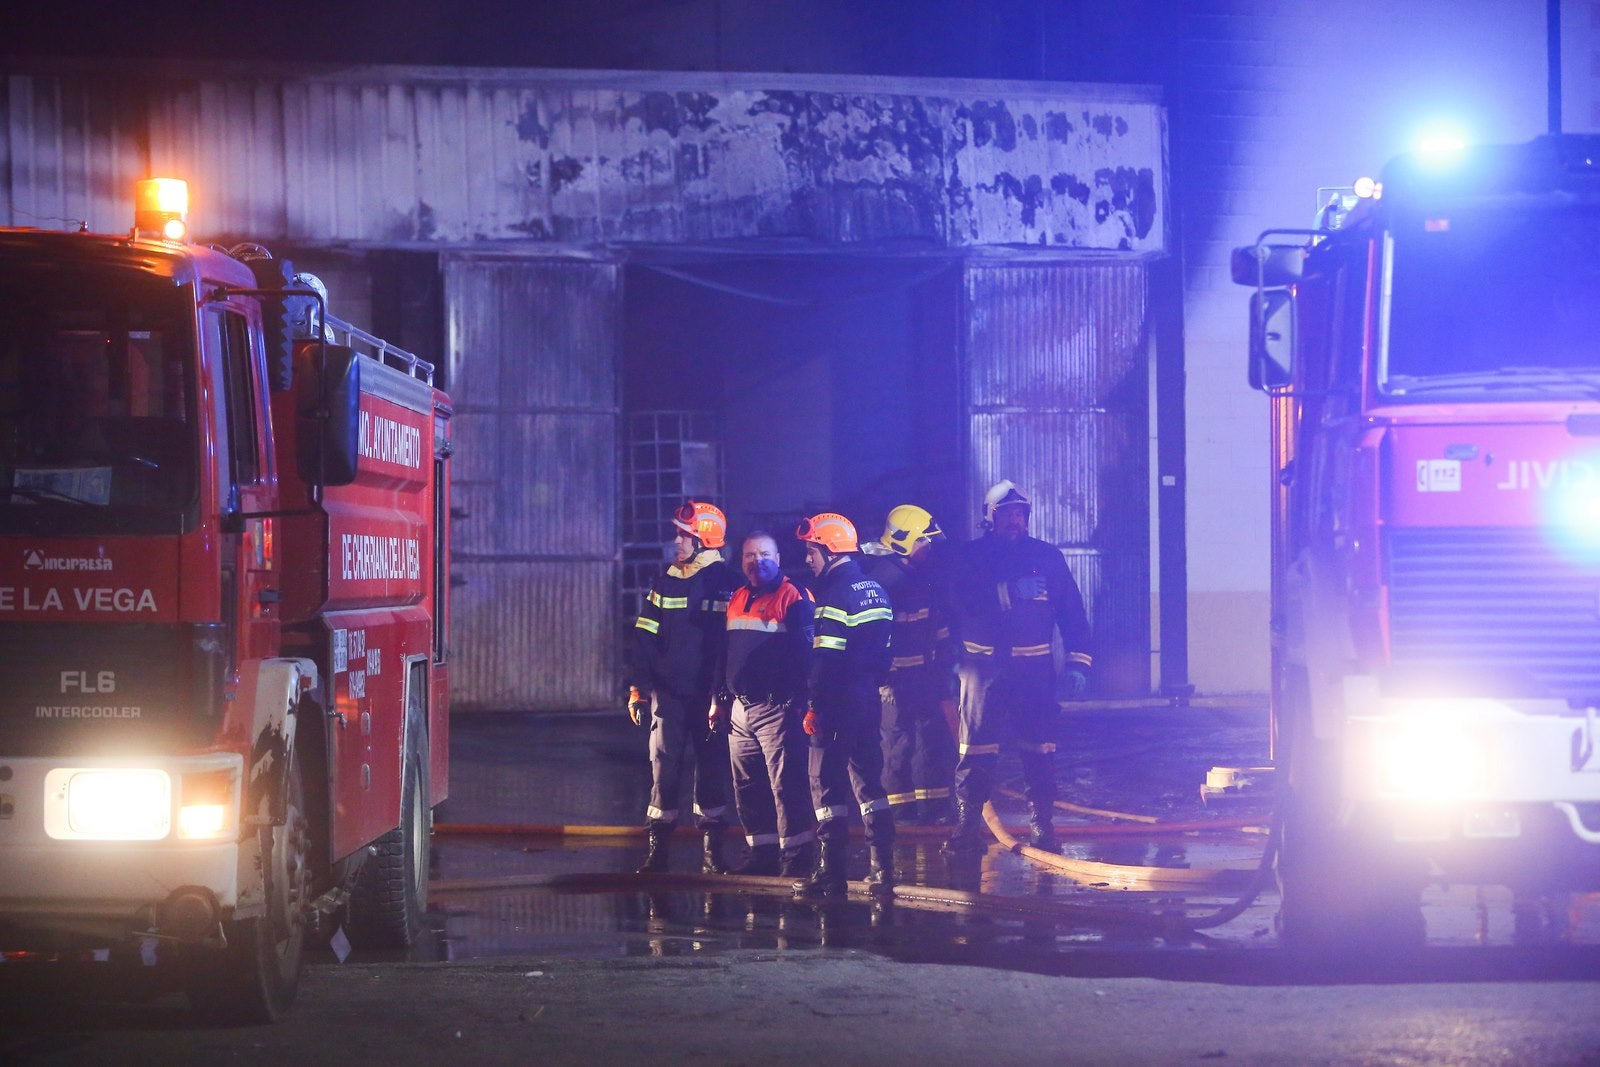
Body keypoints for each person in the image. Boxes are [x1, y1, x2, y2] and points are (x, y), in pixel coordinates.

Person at [943, 480, 1092, 855]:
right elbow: (960, 604)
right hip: (982, 670)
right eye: (1006, 513)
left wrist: (1078, 663)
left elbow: (1072, 613)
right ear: (989, 517)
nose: (1014, 519)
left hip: (1034, 670)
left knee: (1040, 750)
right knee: (974, 750)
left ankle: (1042, 827)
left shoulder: (1047, 557)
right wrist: (1008, 592)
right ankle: (966, 829)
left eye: (1019, 513)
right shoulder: (970, 557)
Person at [626, 501, 741, 874]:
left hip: (710, 697)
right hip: (669, 695)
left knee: (711, 769)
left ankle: (713, 853)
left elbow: (731, 647)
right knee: (663, 768)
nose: (675, 540)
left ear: (705, 540)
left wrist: (721, 694)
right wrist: (638, 688)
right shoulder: (667, 578)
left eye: (684, 535)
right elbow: (644, 637)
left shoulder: (728, 584)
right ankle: (658, 851)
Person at [792, 512, 896, 899]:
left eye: (811, 551)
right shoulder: (875, 589)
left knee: (826, 785)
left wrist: (815, 705)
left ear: (830, 549)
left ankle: (830, 874)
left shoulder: (833, 594)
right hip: (868, 699)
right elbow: (885, 653)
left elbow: (825, 659)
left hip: (836, 702)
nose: (807, 560)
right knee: (870, 784)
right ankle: (882, 871)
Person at [711, 531, 818, 877]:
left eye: (764, 554)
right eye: (750, 556)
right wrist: (720, 699)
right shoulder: (738, 597)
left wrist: (804, 701)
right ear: (740, 562)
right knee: (748, 786)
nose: (758, 561)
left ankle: (797, 857)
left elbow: (808, 657)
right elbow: (724, 655)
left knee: (786, 785)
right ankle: (762, 853)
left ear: (779, 558)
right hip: (740, 710)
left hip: (778, 710)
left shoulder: (795, 597)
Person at [861, 504, 957, 826]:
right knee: (897, 743)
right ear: (903, 541)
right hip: (895, 679)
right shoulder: (884, 581)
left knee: (928, 740)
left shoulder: (918, 576)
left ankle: (930, 810)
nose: (927, 548)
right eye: (921, 542)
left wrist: (944, 664)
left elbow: (937, 625)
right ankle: (899, 814)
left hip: (924, 675)